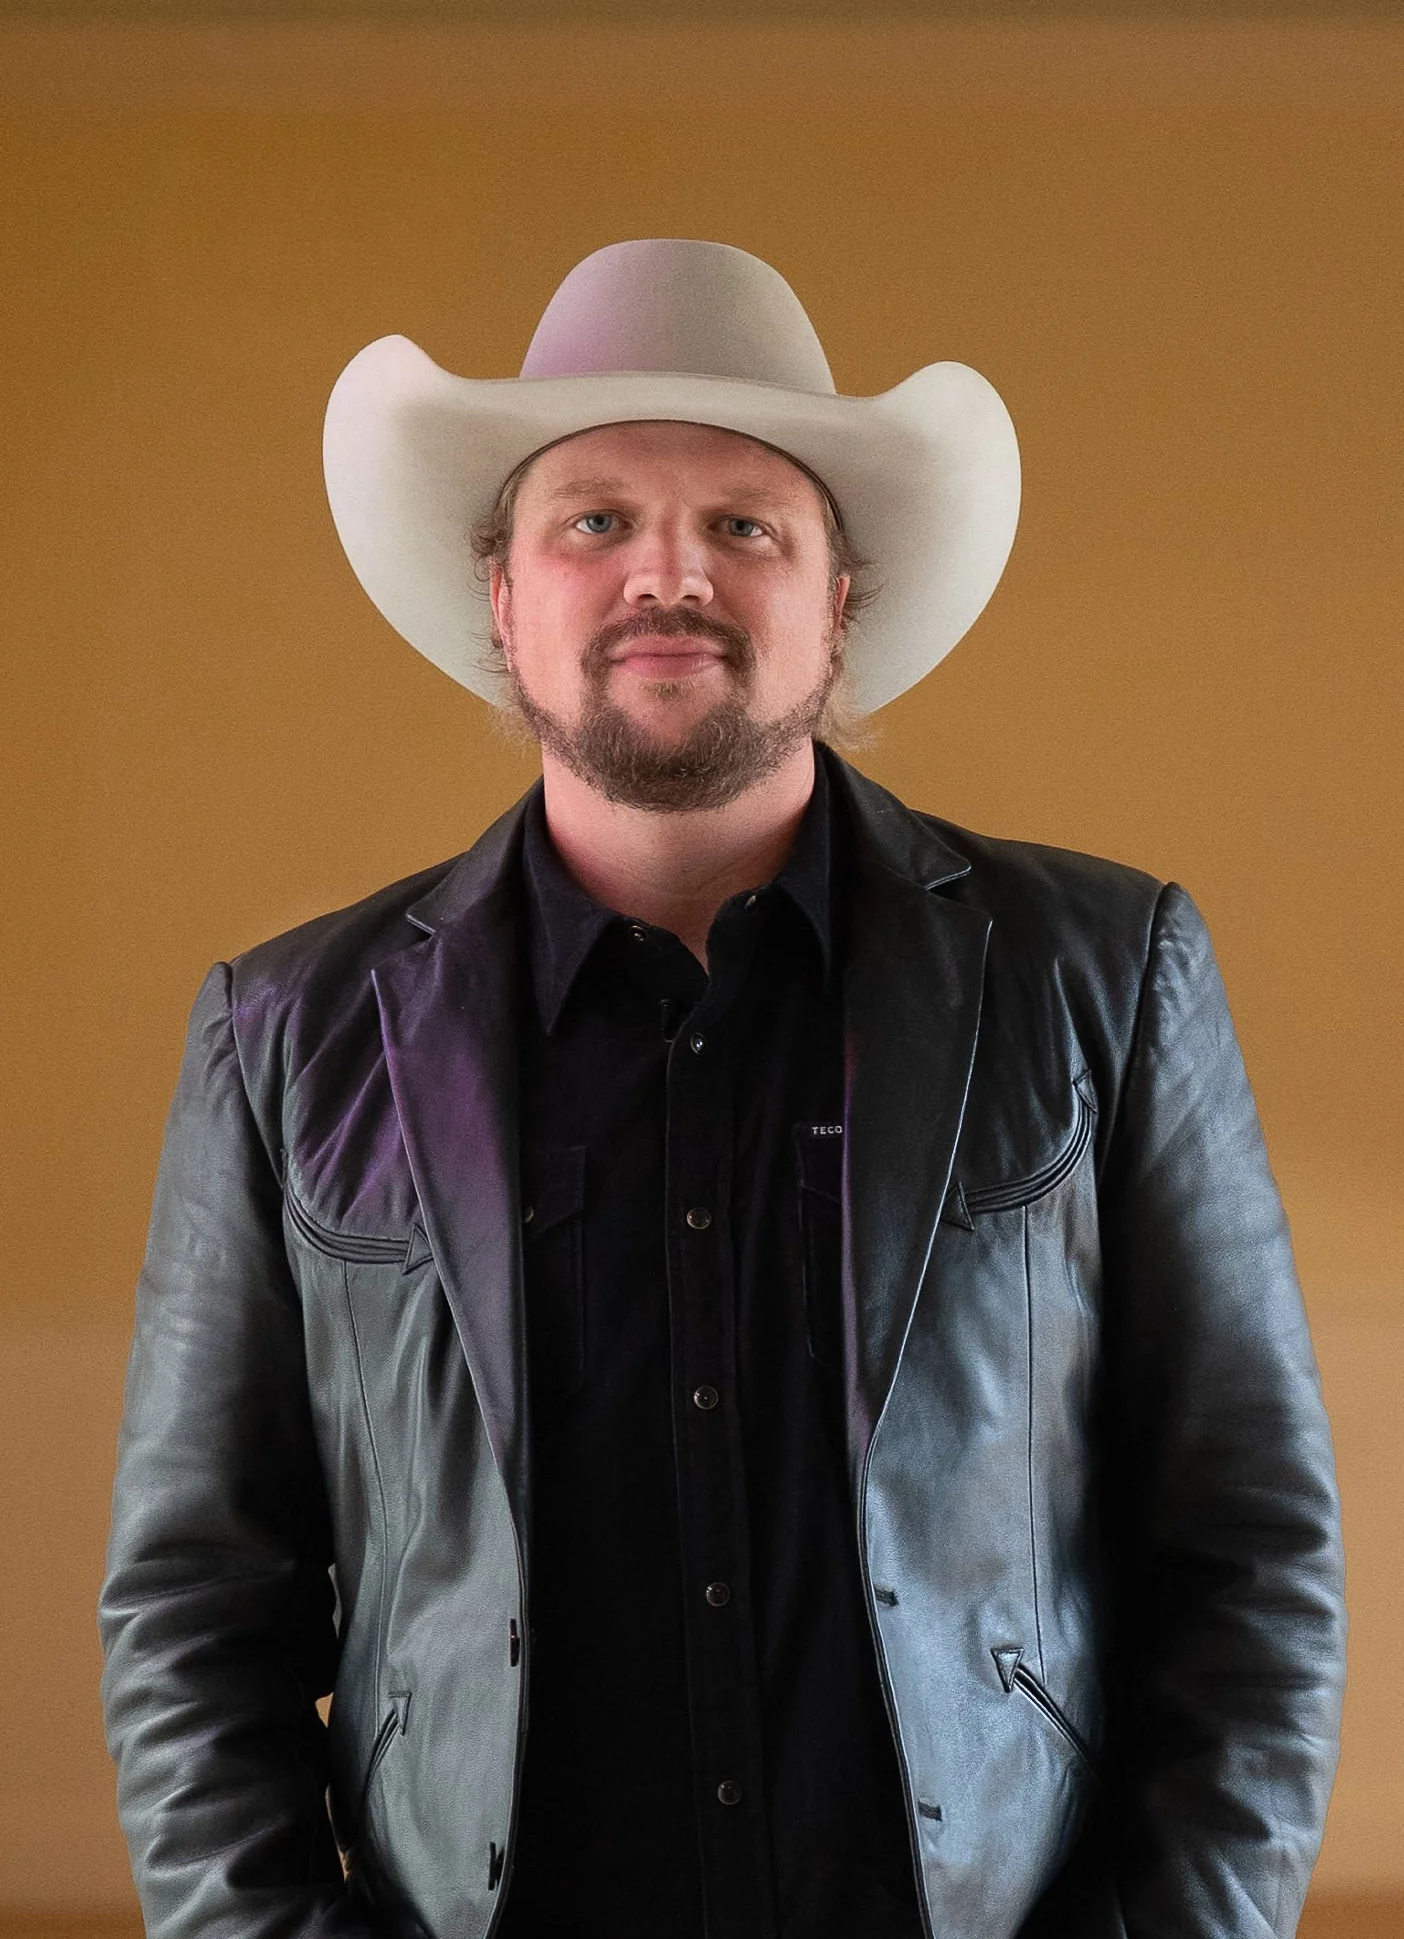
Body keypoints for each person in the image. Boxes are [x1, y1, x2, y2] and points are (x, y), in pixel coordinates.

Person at [100, 239, 1345, 1939]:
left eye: (745, 526)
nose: (665, 577)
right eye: (596, 520)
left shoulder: (1104, 971)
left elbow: (1253, 1553)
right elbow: (193, 1615)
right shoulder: (284, 1034)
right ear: (504, 595)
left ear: (839, 596)